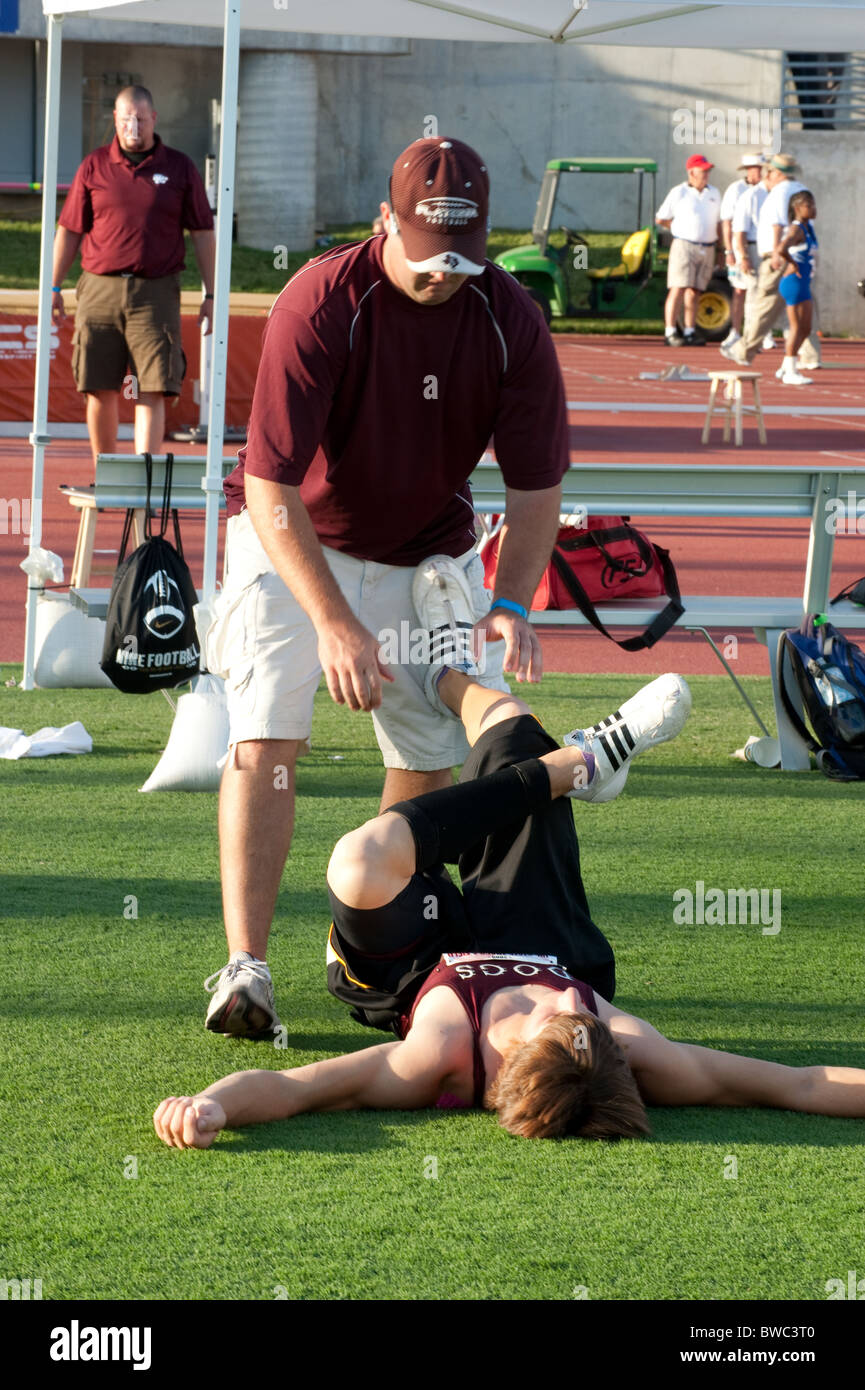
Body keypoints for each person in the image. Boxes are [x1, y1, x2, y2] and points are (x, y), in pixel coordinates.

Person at [154, 639, 865, 1149]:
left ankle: (573, 767)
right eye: (588, 1017)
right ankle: (446, 678)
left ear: (511, 1057)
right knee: (516, 740)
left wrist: (209, 1106)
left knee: (358, 861)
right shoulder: (624, 1044)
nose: (567, 998)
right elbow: (794, 1085)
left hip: (412, 966)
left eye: (561, 1018)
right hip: (536, 937)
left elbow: (300, 1088)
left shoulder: (432, 1056)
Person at [202, 137, 569, 1040]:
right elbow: (268, 484)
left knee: (423, 754)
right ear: (385, 223)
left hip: (425, 555)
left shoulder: (509, 316)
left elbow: (537, 492)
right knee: (266, 740)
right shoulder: (322, 297)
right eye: (426, 247)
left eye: (462, 251)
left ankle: (358, 937)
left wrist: (511, 604)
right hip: (295, 541)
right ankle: (245, 966)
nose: (444, 271)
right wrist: (331, 619)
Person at [51, 85, 215, 467]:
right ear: (115, 119)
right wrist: (54, 285)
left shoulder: (179, 167)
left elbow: (204, 234)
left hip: (156, 292)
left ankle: (143, 484)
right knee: (99, 387)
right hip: (99, 289)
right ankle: (107, 476)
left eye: (141, 118)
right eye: (126, 118)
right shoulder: (93, 165)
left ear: (154, 119)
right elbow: (70, 229)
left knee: (151, 388)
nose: (133, 125)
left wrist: (211, 295)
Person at [721, 153, 821, 369]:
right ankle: (810, 355)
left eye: (770, 171)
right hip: (803, 254)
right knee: (805, 304)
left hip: (781, 257)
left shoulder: (779, 193)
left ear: (776, 173)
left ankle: (744, 351)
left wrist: (777, 254)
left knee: (765, 306)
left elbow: (777, 226)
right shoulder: (802, 190)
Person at [655, 153, 721, 347]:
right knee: (678, 287)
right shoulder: (679, 192)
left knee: (695, 291)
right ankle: (670, 331)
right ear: (692, 172)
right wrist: (676, 228)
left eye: (708, 170)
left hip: (707, 247)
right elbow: (661, 218)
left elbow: (718, 222)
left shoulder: (714, 193)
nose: (707, 173)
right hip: (684, 245)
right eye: (703, 170)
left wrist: (721, 250)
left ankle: (690, 330)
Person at [719, 153, 765, 353]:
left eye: (761, 167)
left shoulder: (767, 190)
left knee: (762, 291)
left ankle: (760, 334)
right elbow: (727, 222)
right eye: (756, 167)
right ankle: (736, 332)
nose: (760, 171)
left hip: (763, 246)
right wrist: (729, 250)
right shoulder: (736, 189)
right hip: (742, 245)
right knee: (740, 290)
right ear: (748, 170)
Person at [775, 191, 819, 386]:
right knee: (797, 327)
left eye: (813, 204)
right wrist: (791, 263)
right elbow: (781, 249)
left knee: (806, 328)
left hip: (802, 283)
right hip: (794, 282)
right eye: (808, 205)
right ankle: (791, 370)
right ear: (797, 208)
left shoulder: (807, 228)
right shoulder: (796, 230)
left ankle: (786, 365)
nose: (813, 208)